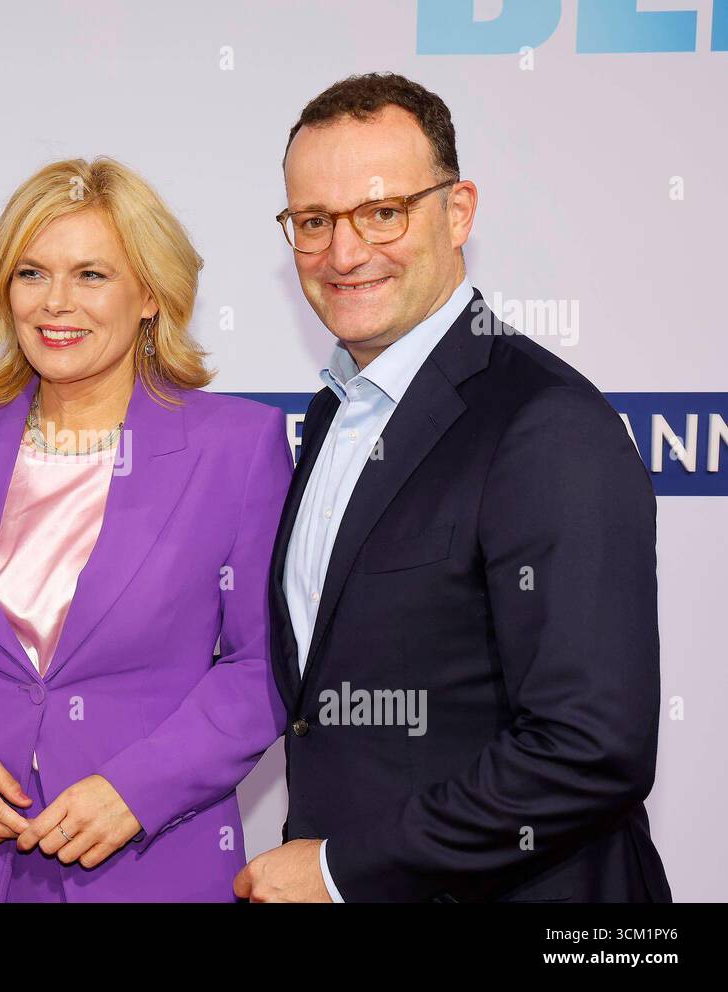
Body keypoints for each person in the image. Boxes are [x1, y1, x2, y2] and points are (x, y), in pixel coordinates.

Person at [235, 72, 671, 902]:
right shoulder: (336, 411)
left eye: (383, 212)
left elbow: (590, 747)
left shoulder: (547, 425)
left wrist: (337, 871)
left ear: (459, 210)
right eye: (314, 222)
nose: (345, 252)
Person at [0, 157, 292, 902]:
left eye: (92, 275)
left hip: (149, 859)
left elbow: (263, 670)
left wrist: (137, 790)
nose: (55, 303)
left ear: (151, 296)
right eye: (32, 273)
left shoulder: (237, 445)